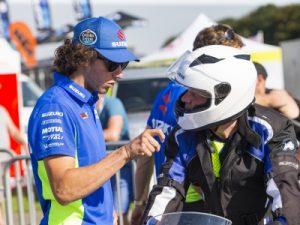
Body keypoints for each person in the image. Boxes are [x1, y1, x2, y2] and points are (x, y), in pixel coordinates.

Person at [141, 45, 300, 225]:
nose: (185, 98)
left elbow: (284, 192)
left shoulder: (270, 130)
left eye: (196, 92)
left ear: (224, 94)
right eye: (187, 90)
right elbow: (168, 189)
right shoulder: (183, 135)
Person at [28, 17, 164, 225]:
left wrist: (105, 211)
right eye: (113, 64)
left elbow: (90, 170)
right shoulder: (56, 105)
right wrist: (126, 152)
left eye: (124, 63)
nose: (120, 73)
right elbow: (64, 188)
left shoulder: (85, 102)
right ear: (83, 58)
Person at [131, 24, 244, 225]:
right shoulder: (201, 100)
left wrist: (140, 202)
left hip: (167, 205)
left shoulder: (167, 91)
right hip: (196, 208)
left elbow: (145, 157)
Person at [96, 94, 133, 225]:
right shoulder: (88, 107)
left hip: (120, 168)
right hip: (101, 168)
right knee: (109, 214)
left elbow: (113, 134)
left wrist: (86, 133)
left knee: (120, 213)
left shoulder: (113, 104)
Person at [0, 105, 28, 225]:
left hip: (4, 161)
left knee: (1, 196)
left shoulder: (1, 110)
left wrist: (24, 143)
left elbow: (13, 131)